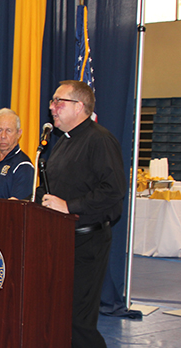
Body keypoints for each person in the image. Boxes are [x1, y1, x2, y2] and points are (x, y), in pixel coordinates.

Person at [37, 80, 126, 348]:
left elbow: (114, 190)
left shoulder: (99, 139)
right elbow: (53, 190)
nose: (52, 107)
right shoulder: (62, 142)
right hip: (60, 240)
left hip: (87, 243)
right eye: (52, 101)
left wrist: (69, 206)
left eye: (58, 101)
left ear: (81, 106)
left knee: (78, 321)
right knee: (57, 315)